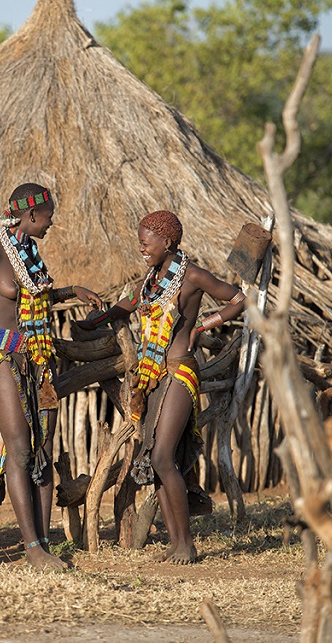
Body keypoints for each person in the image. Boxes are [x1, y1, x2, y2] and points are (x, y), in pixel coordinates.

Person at [76, 210, 245, 564]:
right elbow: (129, 305)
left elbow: (240, 298)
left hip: (180, 372)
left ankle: (187, 543)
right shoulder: (152, 279)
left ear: (167, 242)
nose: (141, 248)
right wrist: (97, 321)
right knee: (156, 459)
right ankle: (176, 542)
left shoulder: (193, 276)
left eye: (145, 242)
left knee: (162, 456)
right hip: (153, 375)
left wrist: (202, 326)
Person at [0, 183, 102, 571]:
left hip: (38, 358)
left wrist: (73, 290)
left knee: (41, 451)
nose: (52, 222)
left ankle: (44, 542)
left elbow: (38, 296)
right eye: (50, 215)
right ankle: (33, 548)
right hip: (2, 355)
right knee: (20, 448)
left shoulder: (30, 252)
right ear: (31, 215)